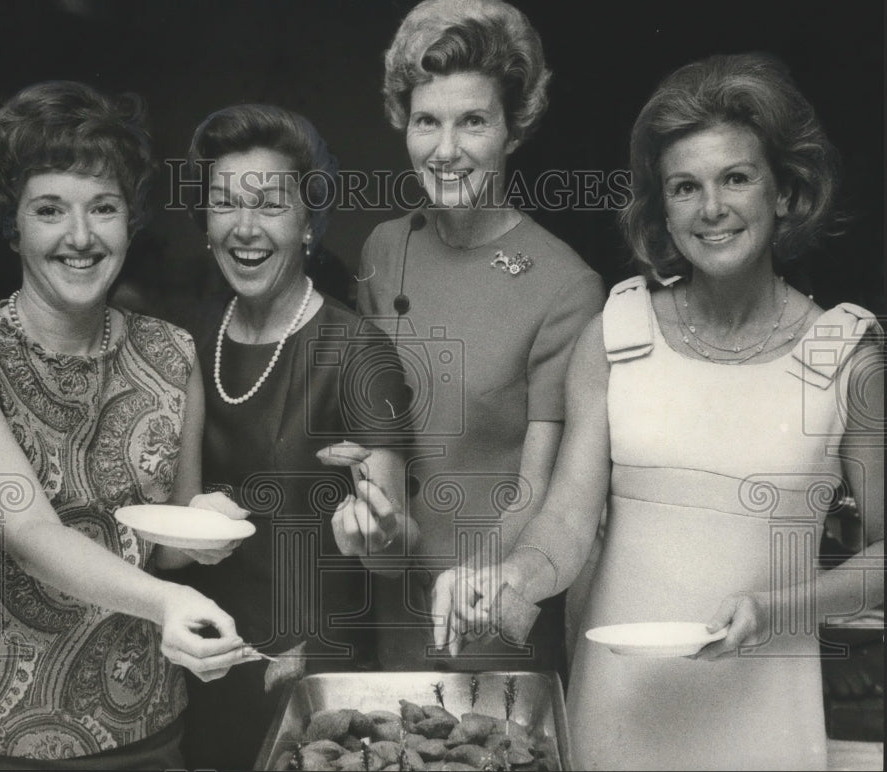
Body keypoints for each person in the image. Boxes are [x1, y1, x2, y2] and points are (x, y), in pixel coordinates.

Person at [433, 53, 884, 769]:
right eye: (684, 187)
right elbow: (567, 520)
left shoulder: (846, 355)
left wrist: (780, 608)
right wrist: (516, 572)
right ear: (662, 209)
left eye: (736, 178)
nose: (711, 208)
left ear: (786, 193)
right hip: (620, 708)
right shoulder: (616, 333)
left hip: (763, 712)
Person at [0, 81, 260, 770]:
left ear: (130, 222)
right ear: (15, 226)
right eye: (49, 210)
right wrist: (170, 599)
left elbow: (164, 547)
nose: (80, 236)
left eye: (103, 208)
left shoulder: (172, 352)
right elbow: (30, 533)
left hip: (146, 723)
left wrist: (205, 527)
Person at [353, 0, 604, 672]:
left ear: (512, 129)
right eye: (427, 121)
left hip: (490, 608)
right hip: (389, 601)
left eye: (473, 122)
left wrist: (480, 580)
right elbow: (378, 432)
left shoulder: (565, 286)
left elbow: (538, 486)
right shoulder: (383, 250)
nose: (446, 150)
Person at [175, 103, 411, 770]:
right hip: (200, 666)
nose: (245, 228)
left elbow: (391, 551)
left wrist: (379, 530)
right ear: (205, 222)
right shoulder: (185, 338)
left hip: (311, 682)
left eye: (270, 204)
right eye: (224, 203)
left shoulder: (357, 350)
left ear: (309, 220)